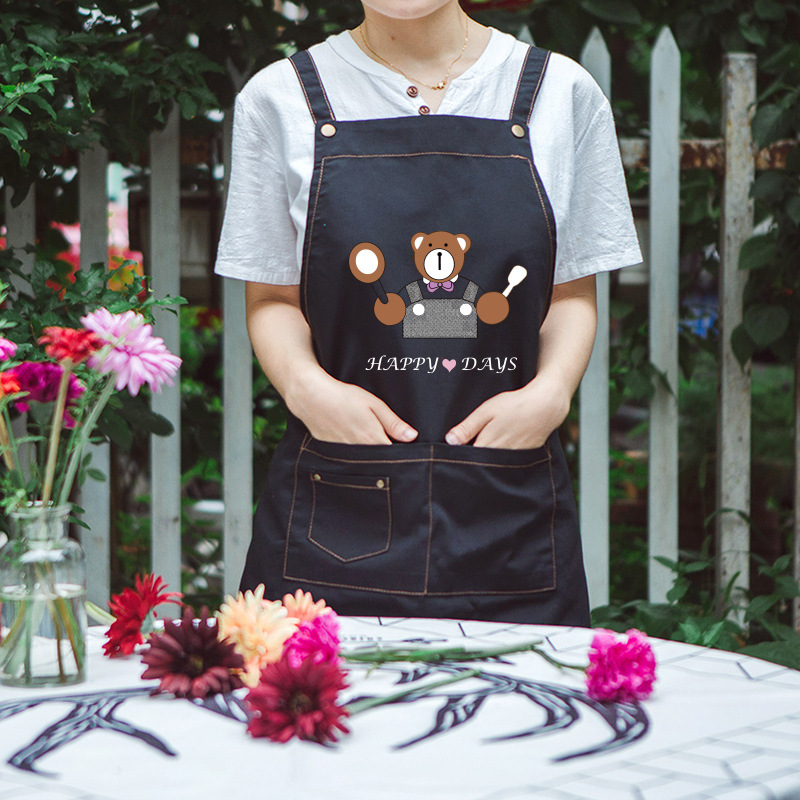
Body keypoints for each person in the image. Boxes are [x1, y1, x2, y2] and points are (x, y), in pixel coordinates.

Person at [214, 0, 643, 625]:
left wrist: (550, 394)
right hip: (339, 500)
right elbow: (273, 298)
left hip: (507, 501)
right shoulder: (280, 99)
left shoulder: (561, 94)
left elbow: (570, 294)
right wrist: (307, 389)